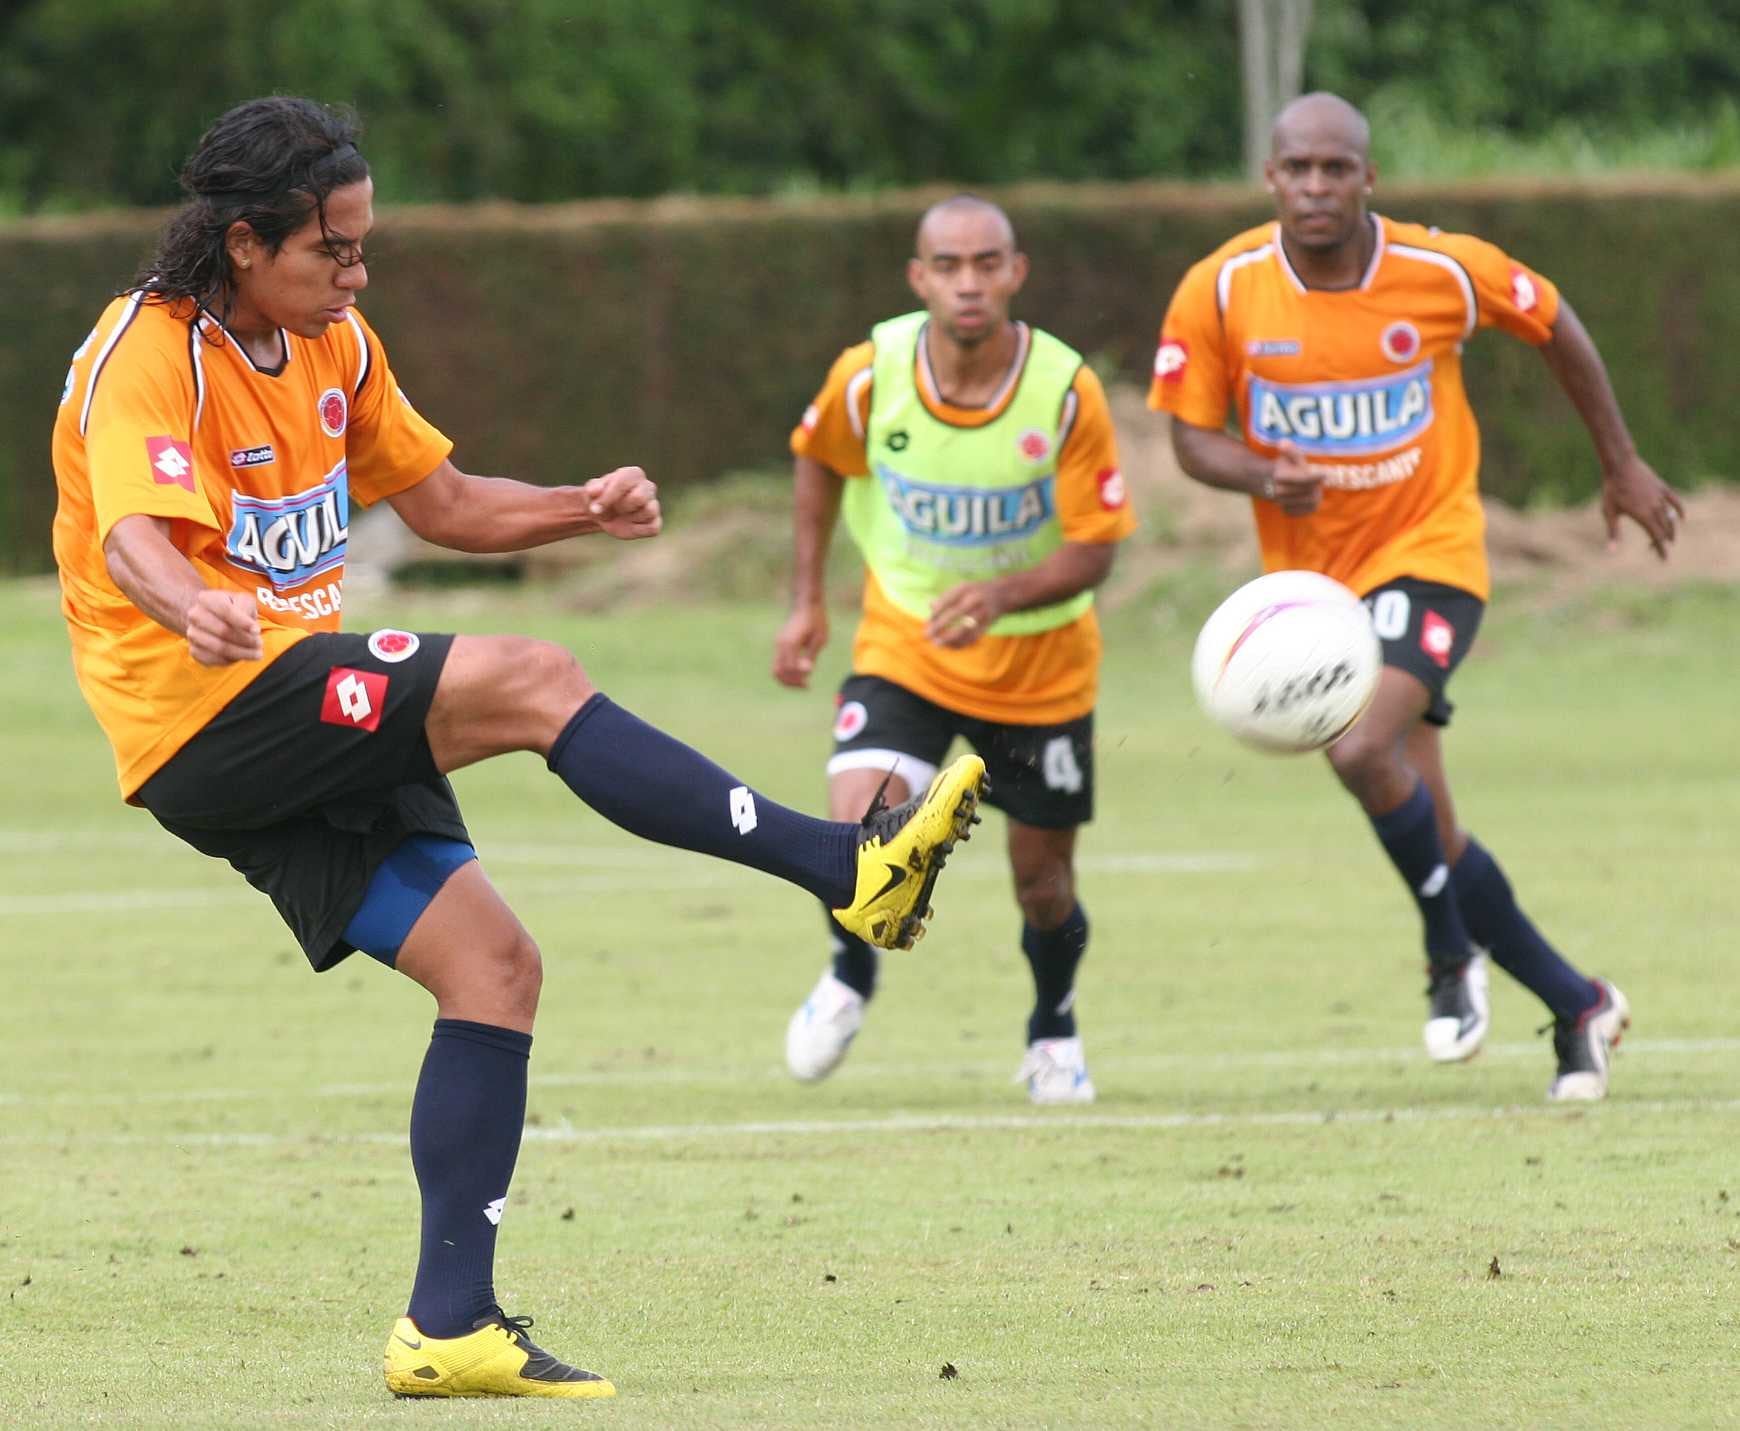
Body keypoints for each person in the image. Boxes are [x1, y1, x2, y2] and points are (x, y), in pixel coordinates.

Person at [50, 97, 988, 1402]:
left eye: (368, 246)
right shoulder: (150, 349)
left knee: (494, 966)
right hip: (203, 704)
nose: (360, 273)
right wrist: (188, 600)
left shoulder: (336, 343)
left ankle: (448, 1324)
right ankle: (844, 862)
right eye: (338, 249)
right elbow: (129, 536)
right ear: (250, 243)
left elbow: (436, 500)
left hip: (292, 710)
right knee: (536, 675)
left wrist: (579, 509)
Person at [1149, 92, 1685, 1101]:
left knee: (1359, 746)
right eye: (1296, 169)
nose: (1315, 187)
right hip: (1315, 590)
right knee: (1425, 821)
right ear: (1270, 178)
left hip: (1431, 552)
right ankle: (1579, 1004)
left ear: (1368, 178)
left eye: (1335, 169)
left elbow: (1554, 320)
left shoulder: (1439, 271)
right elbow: (1189, 437)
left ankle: (1447, 951)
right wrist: (1264, 476)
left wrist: (1621, 463)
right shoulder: (1219, 291)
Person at [772, 195, 1136, 1103]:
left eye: (986, 264)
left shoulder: (1062, 389)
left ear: (1016, 272)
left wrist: (1003, 594)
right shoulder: (871, 373)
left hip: (1040, 668)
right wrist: (808, 602)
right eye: (949, 265)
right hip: (908, 646)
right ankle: (847, 976)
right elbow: (817, 457)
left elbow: (1098, 544)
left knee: (1042, 886)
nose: (968, 283)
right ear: (919, 277)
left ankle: (1054, 1028)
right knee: (860, 827)